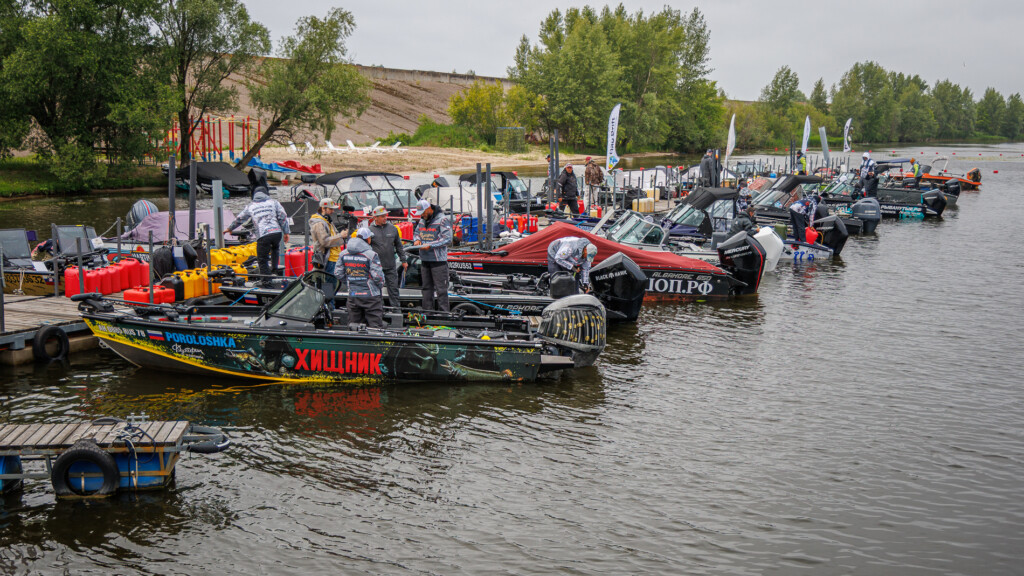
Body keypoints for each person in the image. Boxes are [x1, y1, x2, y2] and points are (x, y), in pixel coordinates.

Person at [225, 189, 290, 282]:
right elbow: (282, 216)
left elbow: (240, 218)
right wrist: (286, 232)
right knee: (275, 249)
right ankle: (274, 270)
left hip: (263, 234)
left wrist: (230, 228)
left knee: (262, 259)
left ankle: (266, 282)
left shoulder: (250, 206)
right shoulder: (274, 202)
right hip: (276, 232)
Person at [336, 227, 385, 328]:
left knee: (354, 327)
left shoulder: (343, 254)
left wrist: (350, 282)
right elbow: (378, 277)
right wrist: (380, 286)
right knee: (375, 328)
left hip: (353, 295)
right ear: (368, 239)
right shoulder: (371, 255)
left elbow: (338, 273)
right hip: (371, 296)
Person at [410, 198, 452, 311]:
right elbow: (416, 233)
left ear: (429, 209)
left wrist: (430, 245)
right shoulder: (422, 220)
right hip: (425, 260)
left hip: (438, 261)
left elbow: (447, 239)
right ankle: (427, 312)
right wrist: (416, 240)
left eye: (423, 212)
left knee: (441, 290)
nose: (422, 215)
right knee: (426, 289)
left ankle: (444, 314)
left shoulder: (442, 220)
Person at [309, 197, 348, 307]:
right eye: (330, 209)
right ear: (323, 208)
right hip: (328, 259)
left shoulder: (326, 221)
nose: (332, 211)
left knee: (331, 284)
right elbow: (324, 241)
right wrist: (341, 236)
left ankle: (328, 305)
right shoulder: (319, 223)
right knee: (329, 285)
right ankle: (329, 307)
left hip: (333, 258)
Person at [367, 205, 407, 309]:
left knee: (393, 289)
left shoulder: (393, 229)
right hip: (376, 267)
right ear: (375, 217)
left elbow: (399, 246)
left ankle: (396, 310)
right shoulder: (369, 230)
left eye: (386, 215)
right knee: (376, 291)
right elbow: (365, 248)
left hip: (390, 265)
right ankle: (378, 310)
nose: (385, 218)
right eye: (382, 216)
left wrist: (403, 260)